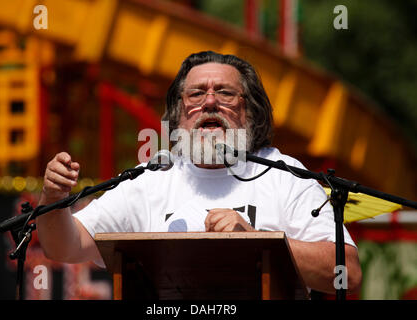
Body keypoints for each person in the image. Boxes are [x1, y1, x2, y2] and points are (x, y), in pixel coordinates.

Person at [36, 51, 362, 295]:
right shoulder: (150, 179)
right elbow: (64, 245)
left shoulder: (285, 176)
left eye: (224, 93)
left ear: (251, 111)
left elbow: (346, 272)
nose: (209, 103)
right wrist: (53, 198)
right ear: (179, 115)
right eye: (195, 94)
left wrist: (258, 243)